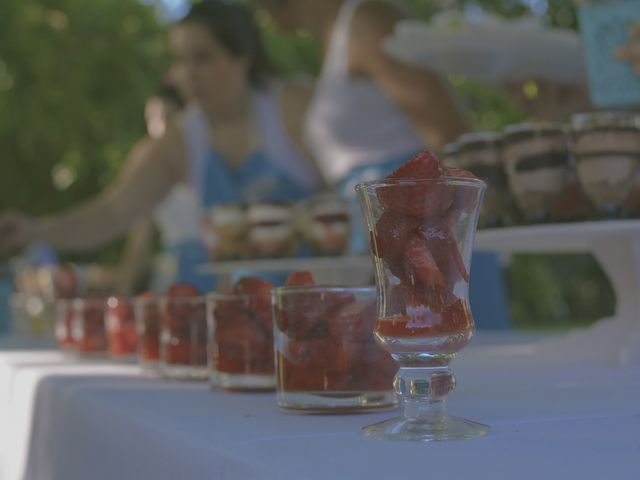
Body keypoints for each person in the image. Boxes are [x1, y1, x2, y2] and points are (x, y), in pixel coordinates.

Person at [0, 0, 322, 293]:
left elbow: (351, 195)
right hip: (234, 311)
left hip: (315, 305)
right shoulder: (182, 141)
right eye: (180, 61)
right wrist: (35, 230)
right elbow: (114, 210)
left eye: (203, 58)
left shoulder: (292, 107)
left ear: (243, 57)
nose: (189, 74)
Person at [256, 0, 510, 329]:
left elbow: (450, 136)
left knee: (451, 358)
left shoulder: (368, 22)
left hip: (424, 235)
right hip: (375, 236)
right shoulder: (334, 41)